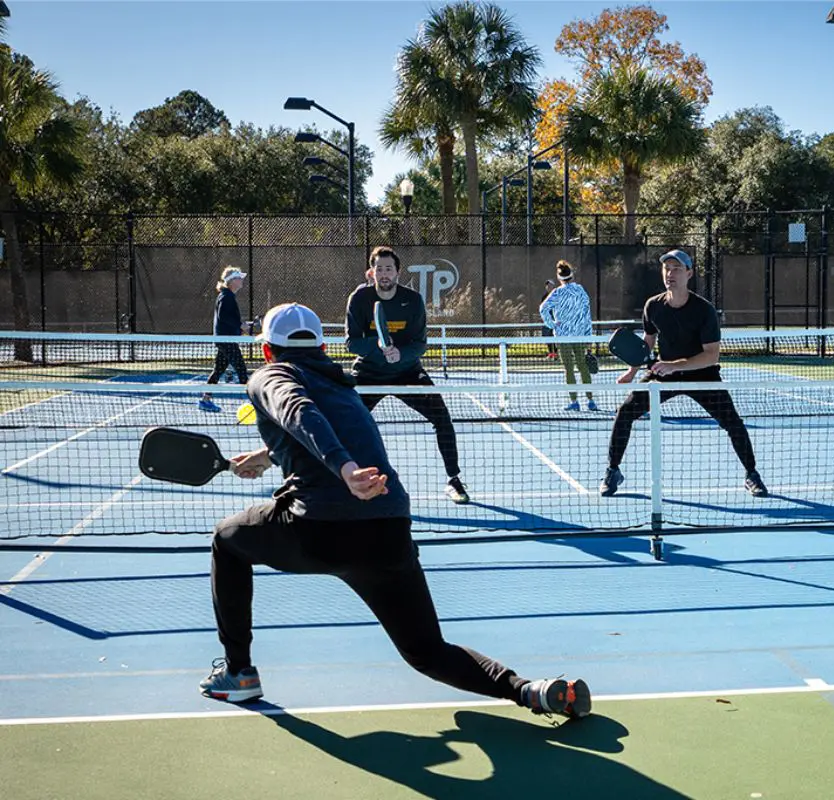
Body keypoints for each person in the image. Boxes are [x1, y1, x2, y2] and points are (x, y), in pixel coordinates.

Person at [199, 302, 591, 720]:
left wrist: (345, 469)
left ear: (265, 351)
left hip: (317, 529)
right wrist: (268, 454)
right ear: (323, 346)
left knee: (227, 539)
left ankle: (239, 674)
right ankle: (529, 690)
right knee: (427, 652)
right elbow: (317, 425)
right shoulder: (341, 384)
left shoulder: (270, 375)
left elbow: (297, 410)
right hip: (387, 530)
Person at [599, 249, 768, 498]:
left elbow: (711, 355)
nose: (671, 273)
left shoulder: (704, 310)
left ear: (689, 273)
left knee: (733, 423)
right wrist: (632, 371)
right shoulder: (653, 306)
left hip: (703, 374)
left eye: (677, 268)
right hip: (664, 375)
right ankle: (613, 471)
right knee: (625, 412)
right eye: (667, 268)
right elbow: (646, 343)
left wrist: (675, 365)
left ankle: (752, 474)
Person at [345, 246, 469, 504]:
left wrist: (400, 354)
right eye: (379, 269)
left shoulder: (412, 300)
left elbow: (420, 343)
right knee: (342, 423)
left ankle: (453, 479)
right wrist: (378, 351)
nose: (384, 274)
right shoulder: (359, 299)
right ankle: (345, 480)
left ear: (398, 272)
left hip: (407, 372)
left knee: (442, 419)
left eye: (389, 268)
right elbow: (352, 342)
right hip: (368, 372)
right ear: (371, 272)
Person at [540, 260, 598, 412]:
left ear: (559, 278)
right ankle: (591, 401)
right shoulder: (580, 290)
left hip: (563, 337)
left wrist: (552, 324)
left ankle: (574, 402)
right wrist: (588, 336)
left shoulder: (557, 292)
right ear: (572, 276)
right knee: (583, 367)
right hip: (579, 336)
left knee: (569, 369)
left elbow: (543, 308)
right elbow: (587, 315)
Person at [199, 266, 251, 413]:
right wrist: (240, 325)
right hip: (226, 341)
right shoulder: (226, 296)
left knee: (218, 370)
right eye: (239, 278)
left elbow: (227, 319)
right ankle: (256, 405)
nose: (241, 280)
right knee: (241, 370)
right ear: (232, 281)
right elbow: (224, 316)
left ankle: (205, 399)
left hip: (226, 340)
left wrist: (240, 328)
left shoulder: (227, 295)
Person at [539, 280, 558, 360]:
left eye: (550, 286)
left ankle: (556, 354)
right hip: (547, 320)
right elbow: (543, 309)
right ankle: (551, 354)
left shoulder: (557, 295)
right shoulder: (544, 297)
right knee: (548, 337)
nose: (548, 287)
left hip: (556, 320)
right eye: (547, 286)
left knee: (555, 337)